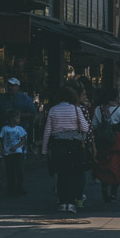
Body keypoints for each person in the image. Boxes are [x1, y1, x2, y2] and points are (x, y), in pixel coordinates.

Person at [41, 85, 90, 213]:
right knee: (74, 174)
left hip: (58, 146)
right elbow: (85, 128)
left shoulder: (53, 110)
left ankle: (63, 202)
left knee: (62, 175)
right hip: (74, 145)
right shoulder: (76, 109)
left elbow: (47, 131)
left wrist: (44, 150)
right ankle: (72, 202)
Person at [91, 89, 120, 204]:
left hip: (102, 141)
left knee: (104, 165)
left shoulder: (99, 109)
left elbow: (94, 125)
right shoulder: (119, 110)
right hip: (116, 140)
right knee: (116, 166)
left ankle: (104, 189)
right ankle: (113, 193)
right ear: (116, 97)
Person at [0, 110, 28, 196]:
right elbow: (0, 139)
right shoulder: (5, 129)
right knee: (10, 170)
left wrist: (16, 147)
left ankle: (20, 187)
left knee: (19, 169)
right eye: (17, 118)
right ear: (12, 119)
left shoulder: (20, 129)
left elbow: (23, 140)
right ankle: (11, 188)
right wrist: (2, 149)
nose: (19, 120)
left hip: (17, 151)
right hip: (8, 152)